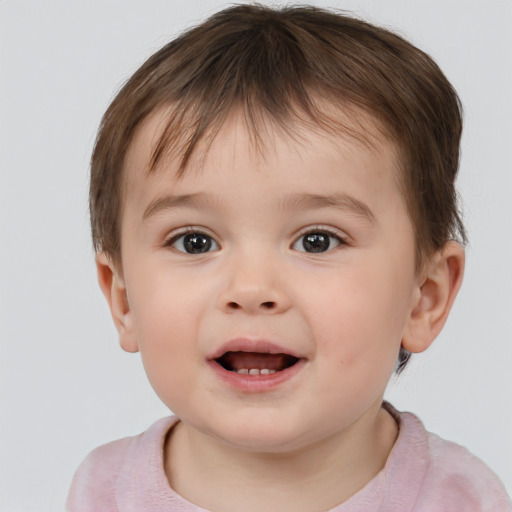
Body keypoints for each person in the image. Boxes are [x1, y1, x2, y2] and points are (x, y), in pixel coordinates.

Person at [66, 4, 511, 511]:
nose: (251, 289)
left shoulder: (462, 501)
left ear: (423, 299)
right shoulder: (100, 493)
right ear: (122, 298)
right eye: (195, 241)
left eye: (317, 240)